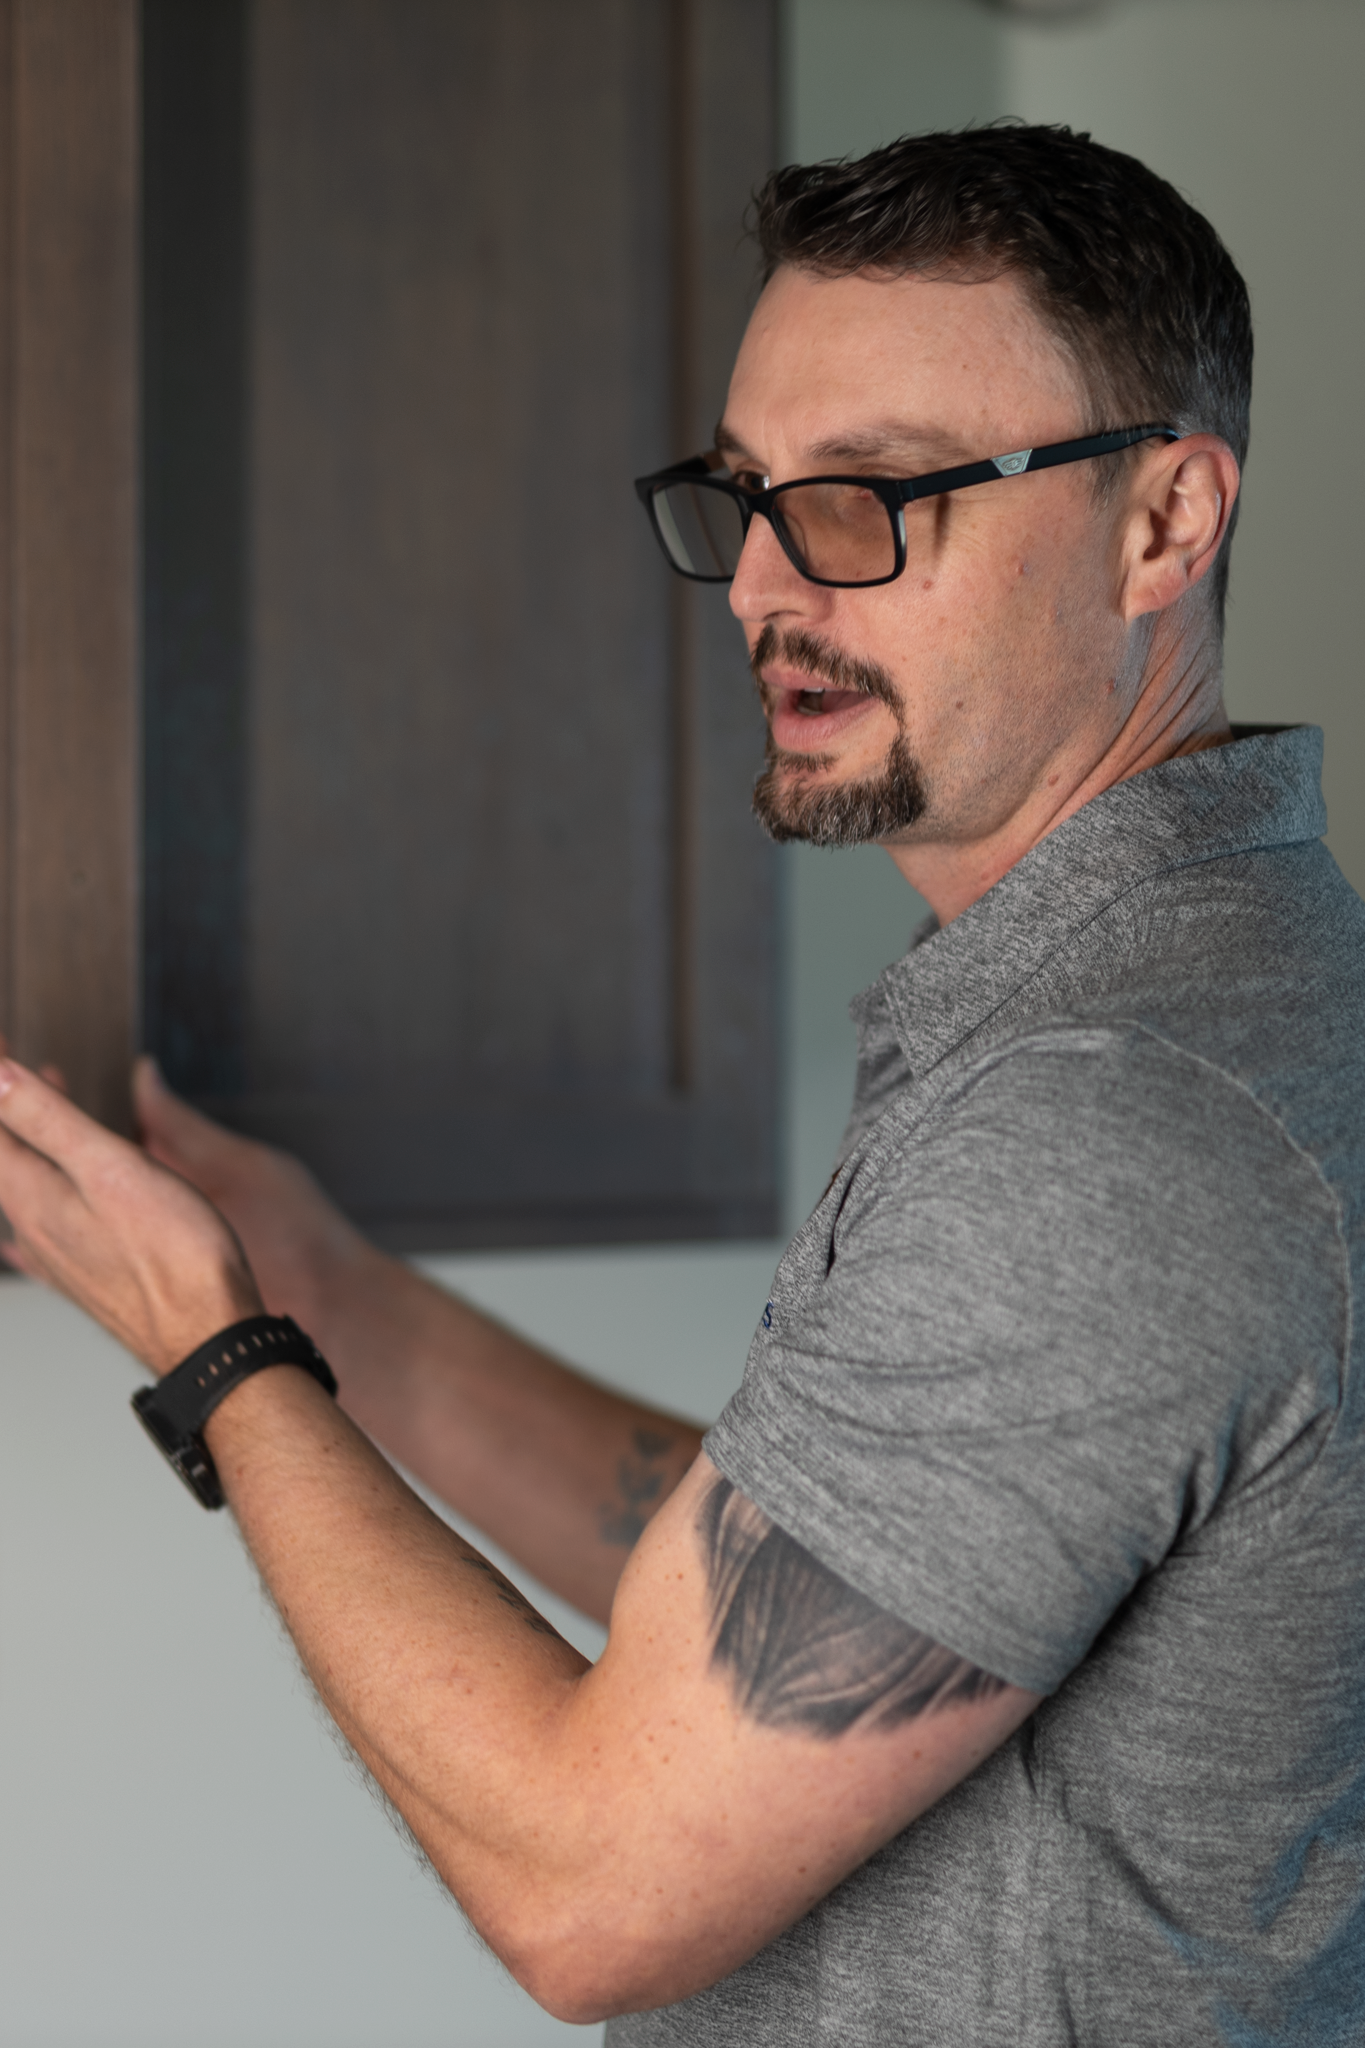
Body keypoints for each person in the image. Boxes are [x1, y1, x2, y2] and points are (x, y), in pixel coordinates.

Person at [1, 122, 1362, 2046]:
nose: (764, 596)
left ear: (1165, 520)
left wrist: (213, 1349)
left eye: (875, 499)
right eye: (749, 500)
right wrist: (335, 1295)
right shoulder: (1231, 990)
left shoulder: (1108, 1124)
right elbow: (790, 1587)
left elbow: (590, 1885)